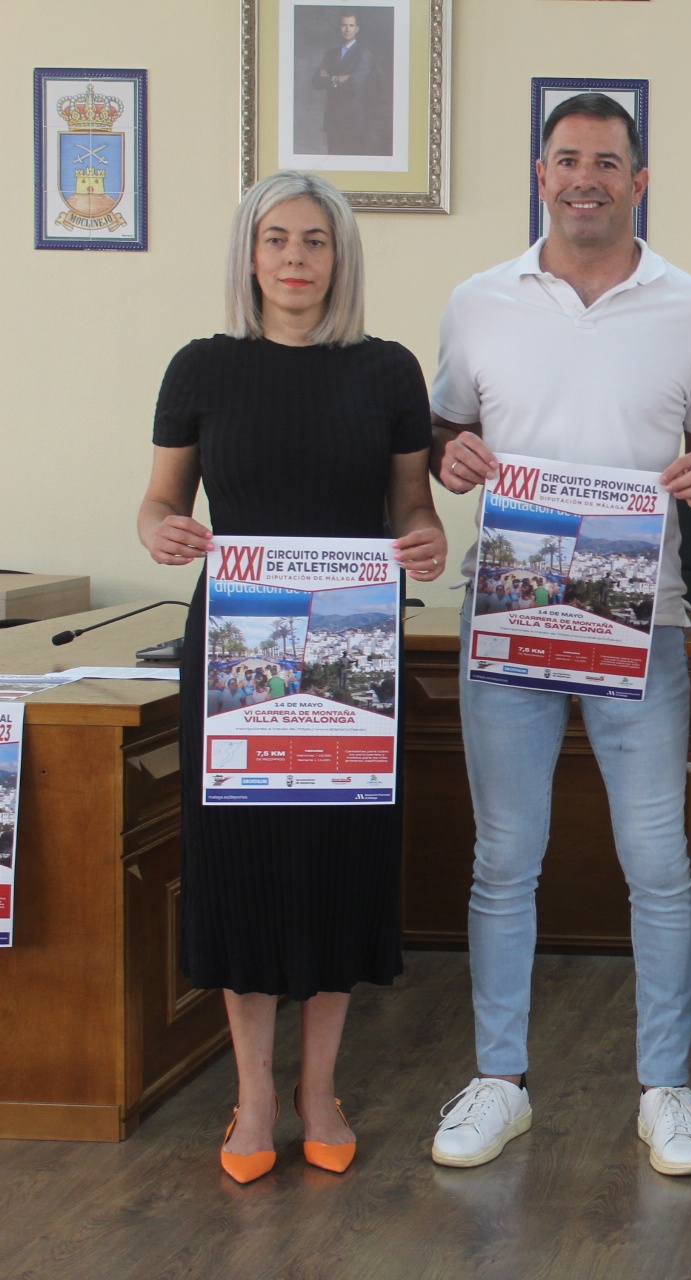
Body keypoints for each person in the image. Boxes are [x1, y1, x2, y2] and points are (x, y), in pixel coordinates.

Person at [425, 93, 691, 1176]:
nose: (585, 178)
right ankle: (499, 1082)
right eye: (567, 159)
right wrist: (449, 454)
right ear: (541, 174)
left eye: (607, 161)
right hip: (510, 614)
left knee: (658, 861)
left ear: (638, 181)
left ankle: (667, 1089)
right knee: (504, 856)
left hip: (641, 621)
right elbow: (446, 429)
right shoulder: (478, 301)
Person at [137, 170, 447, 1184]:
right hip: (237, 646)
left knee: (335, 861)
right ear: (250, 253)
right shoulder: (201, 367)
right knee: (242, 864)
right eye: (277, 238)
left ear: (340, 256)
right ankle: (255, 1095)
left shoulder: (388, 371)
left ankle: (319, 1089)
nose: (296, 258)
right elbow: (159, 503)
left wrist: (427, 536)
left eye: (315, 240)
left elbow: (412, 507)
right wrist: (163, 530)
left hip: (354, 649)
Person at [308, 12, 379, 157]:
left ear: (357, 29)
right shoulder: (330, 54)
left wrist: (329, 79)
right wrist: (337, 79)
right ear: (339, 28)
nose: (347, 29)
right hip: (333, 119)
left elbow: (354, 84)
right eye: (344, 25)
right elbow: (316, 81)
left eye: (351, 25)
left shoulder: (363, 53)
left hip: (353, 120)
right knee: (333, 160)